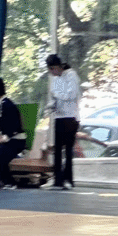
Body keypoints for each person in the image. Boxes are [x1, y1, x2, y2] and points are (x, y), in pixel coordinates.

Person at [45, 55, 80, 190]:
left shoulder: (71, 75)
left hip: (71, 117)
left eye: (53, 69)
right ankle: (58, 180)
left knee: (68, 150)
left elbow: (71, 95)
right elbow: (54, 97)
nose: (52, 72)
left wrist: (57, 94)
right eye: (50, 70)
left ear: (59, 67)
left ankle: (69, 179)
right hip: (59, 116)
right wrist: (51, 105)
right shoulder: (55, 79)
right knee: (58, 149)